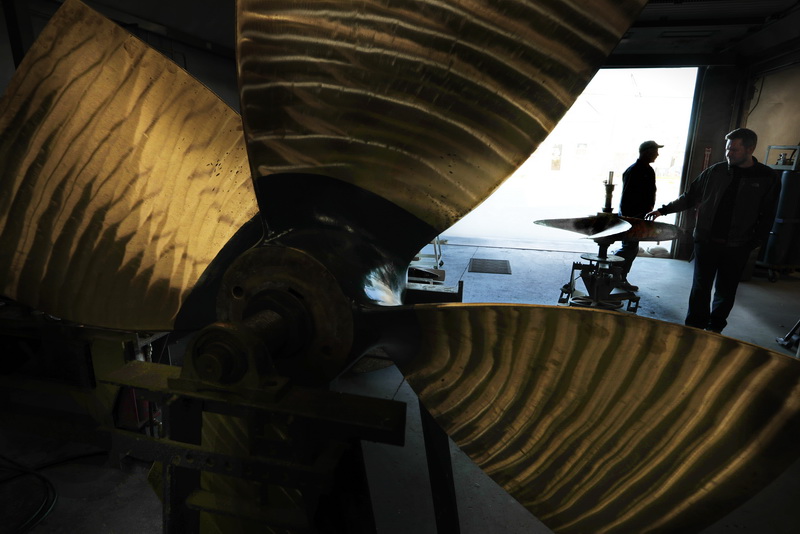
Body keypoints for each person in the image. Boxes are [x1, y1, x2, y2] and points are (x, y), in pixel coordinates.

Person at [645, 128, 780, 333]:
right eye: (727, 149)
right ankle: (695, 329)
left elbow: (769, 213)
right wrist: (663, 210)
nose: (728, 153)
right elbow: (690, 197)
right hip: (706, 241)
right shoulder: (715, 171)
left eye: (734, 150)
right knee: (700, 287)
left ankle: (715, 328)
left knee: (726, 290)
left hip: (737, 245)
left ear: (750, 148)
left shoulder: (766, 177)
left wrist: (755, 241)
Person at [614, 140, 663, 291]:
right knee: (630, 248)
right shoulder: (635, 170)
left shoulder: (647, 170)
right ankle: (616, 274)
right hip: (632, 217)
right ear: (646, 151)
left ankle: (618, 275)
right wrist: (631, 219)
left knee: (631, 248)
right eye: (655, 151)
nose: (657, 154)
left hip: (639, 217)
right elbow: (627, 197)